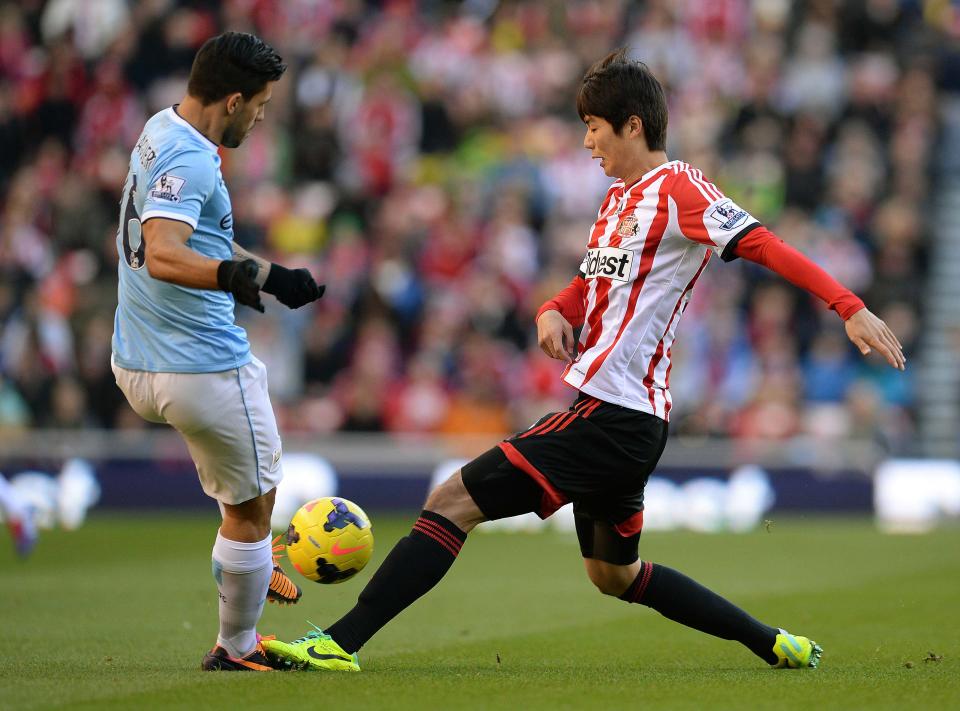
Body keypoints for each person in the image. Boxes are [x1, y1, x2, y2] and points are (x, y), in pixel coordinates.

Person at [263, 49, 905, 672]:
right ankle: (772, 643)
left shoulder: (679, 188)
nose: (588, 143)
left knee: (452, 498)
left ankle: (339, 642)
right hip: (625, 420)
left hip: (615, 414)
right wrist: (553, 307)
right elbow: (588, 284)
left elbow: (764, 244)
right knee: (615, 575)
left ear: (633, 125)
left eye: (595, 128)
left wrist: (848, 306)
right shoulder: (617, 202)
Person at [110, 32, 324, 672]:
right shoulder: (196, 161)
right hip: (200, 365)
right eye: (258, 106)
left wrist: (271, 277)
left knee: (250, 496)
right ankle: (237, 642)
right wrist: (231, 280)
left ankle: (249, 564)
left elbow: (195, 238)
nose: (261, 119)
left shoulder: (159, 128)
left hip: (136, 359)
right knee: (255, 508)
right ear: (232, 101)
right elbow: (165, 250)